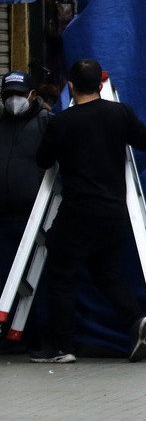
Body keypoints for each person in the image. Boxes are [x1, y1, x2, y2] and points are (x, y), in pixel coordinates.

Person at [32, 59, 146, 364]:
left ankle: (61, 346)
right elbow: (144, 141)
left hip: (78, 211)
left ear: (71, 87)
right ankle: (134, 320)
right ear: (100, 85)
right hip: (114, 212)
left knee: (61, 275)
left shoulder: (61, 122)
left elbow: (43, 160)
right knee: (107, 272)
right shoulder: (120, 113)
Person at [0, 71, 52, 350]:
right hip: (4, 217)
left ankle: (38, 336)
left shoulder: (46, 122)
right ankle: (9, 336)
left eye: (19, 94)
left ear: (32, 94)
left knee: (35, 280)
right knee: (5, 278)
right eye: (8, 95)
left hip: (34, 218)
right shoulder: (1, 123)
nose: (13, 101)